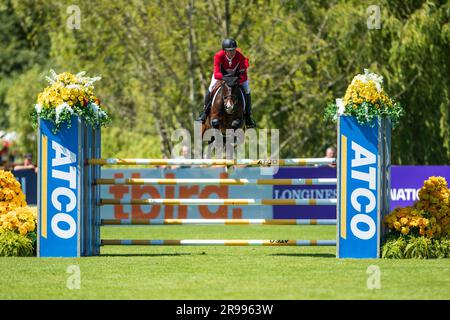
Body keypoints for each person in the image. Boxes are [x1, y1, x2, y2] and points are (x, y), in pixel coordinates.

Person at [196, 38, 256, 128]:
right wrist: (226, 78)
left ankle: (248, 115)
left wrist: (236, 80)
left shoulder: (240, 57)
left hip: (236, 78)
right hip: (221, 76)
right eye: (229, 51)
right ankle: (205, 112)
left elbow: (244, 75)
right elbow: (216, 74)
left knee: (247, 89)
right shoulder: (218, 56)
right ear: (225, 51)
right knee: (211, 87)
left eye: (233, 50)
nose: (232, 52)